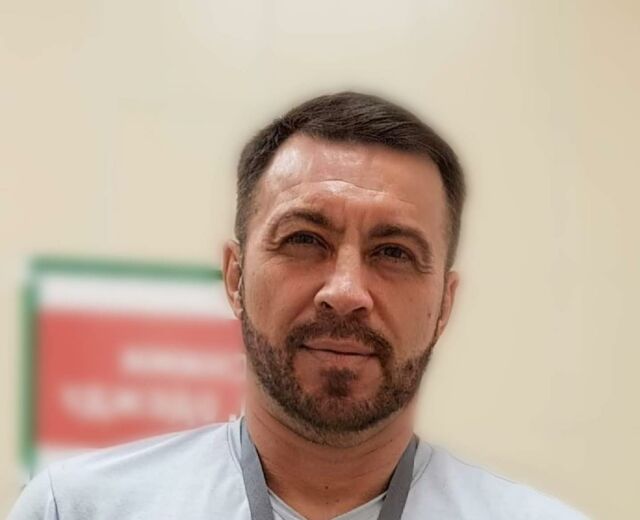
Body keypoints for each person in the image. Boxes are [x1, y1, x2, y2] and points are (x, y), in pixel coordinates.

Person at [9, 92, 587, 519]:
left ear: (444, 305)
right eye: (304, 240)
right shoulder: (77, 510)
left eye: (393, 252)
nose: (346, 291)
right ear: (236, 277)